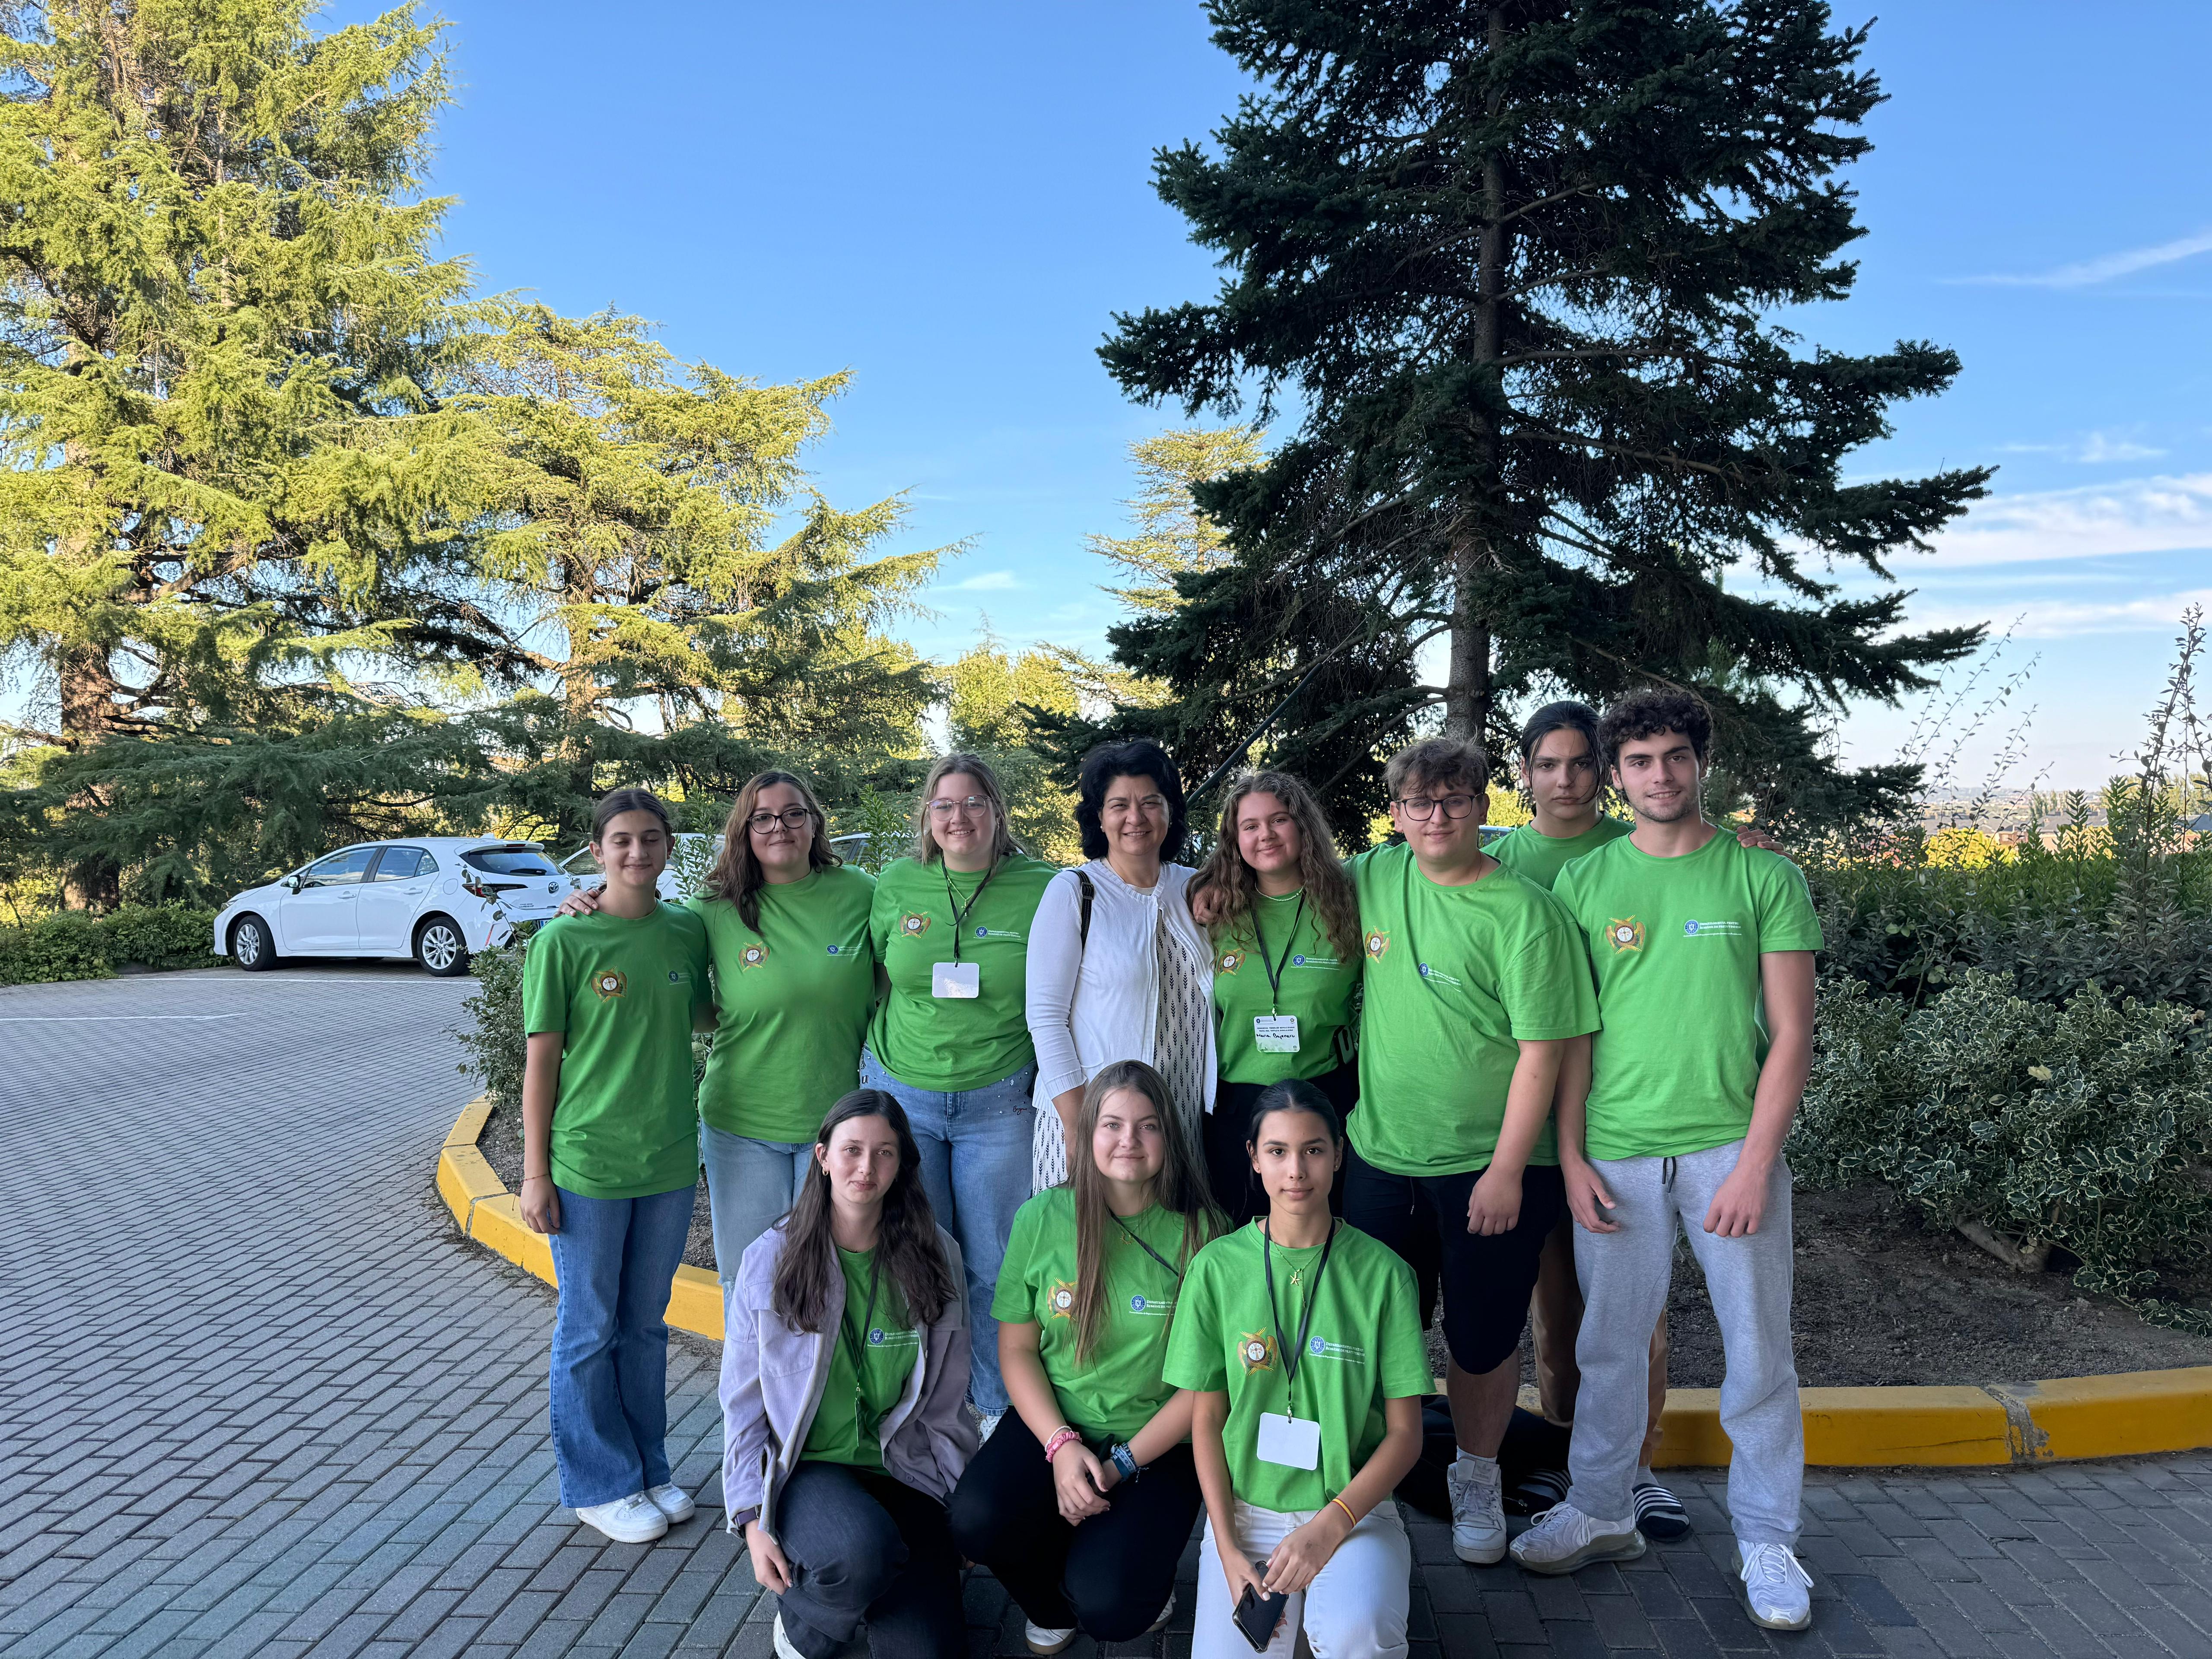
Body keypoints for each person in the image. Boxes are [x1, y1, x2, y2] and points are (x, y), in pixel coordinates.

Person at [1512, 690, 1821, 1635]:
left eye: (1676, 756)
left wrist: (1755, 1165)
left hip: (1731, 1148)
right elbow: (1570, 1036)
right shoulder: (1584, 884)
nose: (1660, 775)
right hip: (1617, 1154)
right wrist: (1570, 1156)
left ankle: (1768, 1539)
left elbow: (1793, 1034)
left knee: (1758, 1353)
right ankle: (1603, 1508)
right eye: (1640, 761)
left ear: (1701, 763)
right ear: (1617, 775)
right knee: (1607, 1348)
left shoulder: (1764, 877)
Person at [1339, 736, 1599, 1568]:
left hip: (1492, 1170)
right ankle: (1372, 1474)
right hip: (1381, 1161)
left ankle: (1478, 1479)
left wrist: (1506, 1170)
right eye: (1420, 802)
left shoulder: (1526, 913)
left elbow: (1544, 1054)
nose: (1437, 816)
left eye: (1455, 800)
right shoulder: (1374, 878)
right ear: (1396, 814)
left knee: (1483, 1339)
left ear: (1484, 807)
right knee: (1376, 1329)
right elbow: (1280, 878)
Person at [561, 770, 877, 1285]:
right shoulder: (712, 907)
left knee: (826, 1282)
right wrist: (591, 904)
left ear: (814, 823)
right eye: (762, 818)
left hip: (835, 1124)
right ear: (744, 830)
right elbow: (647, 936)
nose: (779, 827)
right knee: (748, 1282)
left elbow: (901, 967)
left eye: (793, 814)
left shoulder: (861, 893)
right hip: (741, 1123)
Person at [949, 1061, 1220, 1654]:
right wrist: (1061, 1446)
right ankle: (1052, 1604)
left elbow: (1207, 1386)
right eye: (1112, 1124)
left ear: (1169, 1137)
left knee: (1113, 1606)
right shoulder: (1041, 1218)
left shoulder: (1204, 1235)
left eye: (1148, 1126)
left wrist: (1119, 1464)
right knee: (974, 1520)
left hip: (1157, 1442)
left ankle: (1120, 1570)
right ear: (1087, 1132)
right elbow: (1016, 1348)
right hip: (1058, 1421)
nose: (1129, 1140)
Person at [1491, 703, 1681, 1539]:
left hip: (1618, 1119)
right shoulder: (1500, 860)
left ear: (1603, 772)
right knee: (1557, 1316)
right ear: (1525, 773)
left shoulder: (1639, 849)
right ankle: (1575, 1464)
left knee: (1635, 1315)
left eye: (1579, 763)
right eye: (1547, 764)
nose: (1564, 780)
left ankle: (1636, 1471)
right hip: (1520, 1123)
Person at [1166, 1081, 1428, 1659]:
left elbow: (1406, 1434)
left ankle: (1333, 1614)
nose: (1296, 1170)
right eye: (1278, 1151)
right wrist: (1227, 1548)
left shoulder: (1385, 1275)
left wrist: (1331, 1525)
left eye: (1313, 1150)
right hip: (1246, 1515)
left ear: (1338, 1154)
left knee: (1359, 1635)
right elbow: (1205, 1420)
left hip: (1351, 1509)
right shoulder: (1215, 1269)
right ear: (1254, 1158)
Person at [519, 788, 715, 1545]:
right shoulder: (563, 941)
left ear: (668, 847)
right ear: (597, 851)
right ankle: (598, 1485)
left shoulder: (686, 931)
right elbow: (541, 1064)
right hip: (589, 1165)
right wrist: (535, 1173)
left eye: (652, 838)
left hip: (667, 1160)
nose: (638, 852)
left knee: (644, 1326)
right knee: (589, 1327)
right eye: (622, 840)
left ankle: (648, 1469)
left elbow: (709, 1011)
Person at [722, 1091, 979, 1659]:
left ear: (902, 1163)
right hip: (811, 1469)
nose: (867, 1167)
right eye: (852, 1150)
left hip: (902, 1468)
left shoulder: (936, 1254)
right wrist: (750, 1520)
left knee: (929, 1651)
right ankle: (808, 1622)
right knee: (860, 1552)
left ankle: (857, 1587)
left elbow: (946, 1402)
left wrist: (959, 1508)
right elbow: (742, 1403)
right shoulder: (770, 1259)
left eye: (885, 1153)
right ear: (822, 1156)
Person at [863, 754, 1058, 1432]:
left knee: (995, 1266)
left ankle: (998, 1410)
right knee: (918, 1260)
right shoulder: (897, 883)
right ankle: (927, 1413)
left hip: (998, 1101)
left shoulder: (1045, 887)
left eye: (974, 802)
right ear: (927, 815)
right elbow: (874, 975)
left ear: (998, 811)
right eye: (944, 805)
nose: (959, 817)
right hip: (905, 1099)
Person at [1027, 738, 1214, 1193]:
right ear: (1099, 816)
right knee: (1081, 1237)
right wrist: (1078, 1125)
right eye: (1119, 805)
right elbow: (1046, 1018)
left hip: (1176, 1120)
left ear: (1170, 811)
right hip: (1093, 1120)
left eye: (1150, 802)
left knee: (1170, 1236)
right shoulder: (1074, 892)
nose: (1136, 817)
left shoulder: (1196, 889)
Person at [1186, 771, 1362, 1225]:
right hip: (1237, 1105)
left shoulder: (1348, 901)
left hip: (1326, 1097)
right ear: (1235, 839)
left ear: (1303, 826)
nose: (1265, 834)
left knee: (1325, 1233)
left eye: (1279, 820)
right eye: (1250, 826)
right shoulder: (1216, 911)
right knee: (1243, 1237)